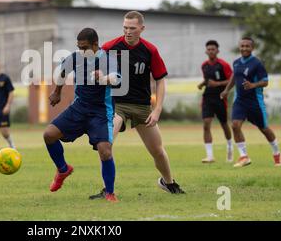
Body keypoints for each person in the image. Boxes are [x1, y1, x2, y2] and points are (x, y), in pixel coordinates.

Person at [90, 11, 185, 200]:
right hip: (117, 105)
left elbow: (160, 80)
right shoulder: (110, 47)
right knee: (106, 144)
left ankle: (169, 182)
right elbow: (96, 69)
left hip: (142, 106)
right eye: (125, 27)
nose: (128, 31)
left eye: (132, 28)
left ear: (142, 28)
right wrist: (98, 75)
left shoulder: (150, 50)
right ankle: (107, 190)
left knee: (157, 150)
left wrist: (157, 109)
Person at [43, 28, 120, 202]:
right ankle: (63, 169)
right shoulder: (76, 57)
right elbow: (63, 72)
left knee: (105, 151)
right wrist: (57, 92)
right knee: (49, 135)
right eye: (79, 47)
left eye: (84, 47)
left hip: (100, 112)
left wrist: (104, 78)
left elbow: (117, 78)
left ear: (95, 45)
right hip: (79, 108)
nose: (81, 51)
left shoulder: (108, 59)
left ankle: (109, 192)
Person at [220, 37, 281, 167]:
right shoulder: (236, 62)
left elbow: (265, 81)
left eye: (247, 46)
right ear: (239, 47)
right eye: (242, 46)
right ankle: (244, 156)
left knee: (264, 129)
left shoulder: (257, 63)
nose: (244, 48)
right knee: (235, 125)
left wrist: (253, 85)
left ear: (252, 48)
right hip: (239, 101)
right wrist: (226, 90)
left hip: (255, 103)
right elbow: (234, 77)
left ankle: (276, 153)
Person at [197, 40, 233, 163]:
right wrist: (202, 84)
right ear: (206, 51)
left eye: (213, 49)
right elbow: (207, 80)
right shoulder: (204, 65)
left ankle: (229, 147)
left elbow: (231, 80)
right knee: (206, 124)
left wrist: (217, 84)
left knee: (224, 124)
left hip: (220, 98)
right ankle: (210, 155)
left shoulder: (223, 65)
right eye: (209, 49)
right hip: (207, 97)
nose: (211, 51)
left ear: (217, 51)